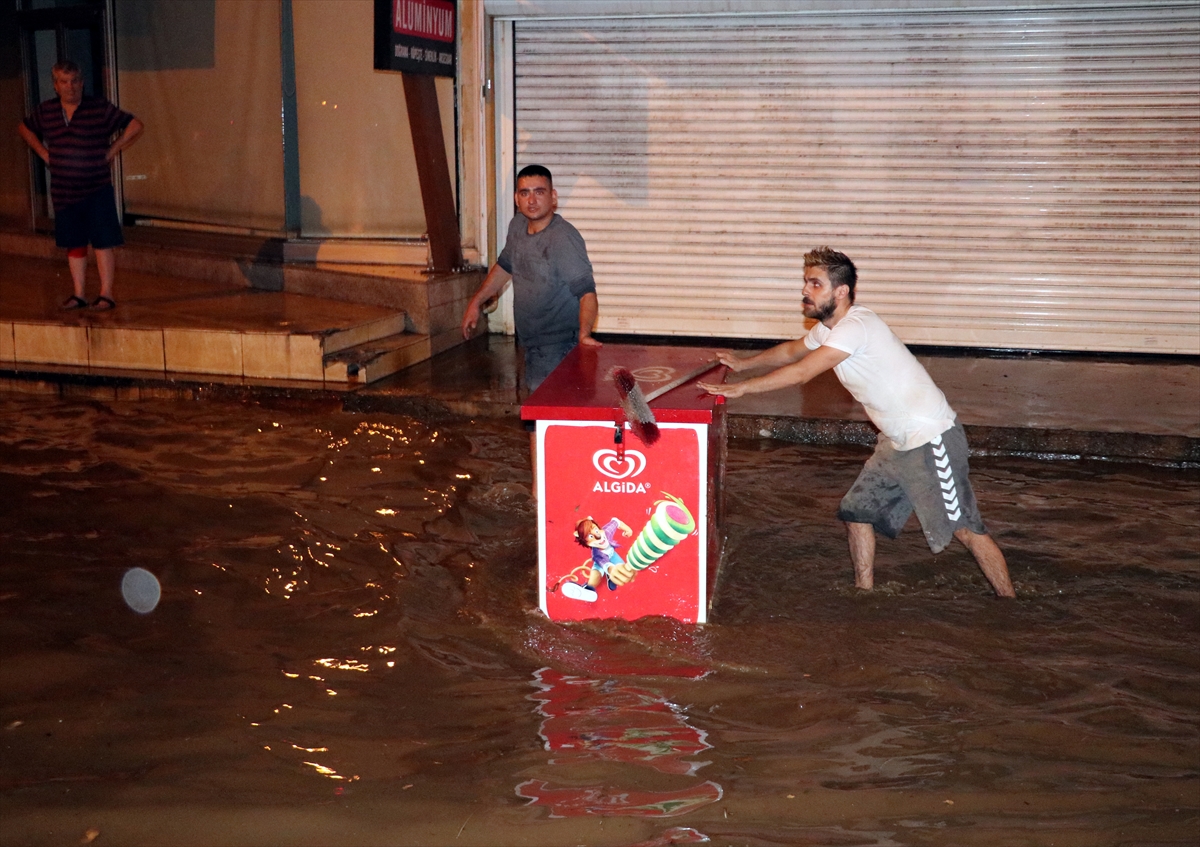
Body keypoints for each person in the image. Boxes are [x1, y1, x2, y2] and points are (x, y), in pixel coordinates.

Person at [699, 247, 1016, 598]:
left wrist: (742, 389)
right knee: (857, 512)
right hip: (896, 442)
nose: (805, 290)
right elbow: (793, 351)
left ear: (841, 291)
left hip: (931, 437)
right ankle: (863, 594)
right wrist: (743, 364)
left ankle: (1011, 604)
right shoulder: (831, 330)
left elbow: (804, 371)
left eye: (815, 284)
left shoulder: (857, 326)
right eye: (806, 282)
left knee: (965, 529)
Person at [461, 164, 601, 393]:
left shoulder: (563, 238)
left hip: (560, 345)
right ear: (517, 198)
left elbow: (587, 293)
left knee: (546, 414)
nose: (532, 200)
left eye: (539, 192)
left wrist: (585, 334)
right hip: (531, 342)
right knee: (538, 415)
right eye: (525, 193)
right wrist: (475, 302)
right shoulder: (517, 226)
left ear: (553, 197)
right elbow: (505, 267)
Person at [18, 60, 144, 312]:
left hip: (96, 186)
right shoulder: (48, 111)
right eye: (64, 82)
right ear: (55, 86)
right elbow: (24, 128)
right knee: (74, 241)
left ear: (82, 82)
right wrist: (44, 153)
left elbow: (134, 125)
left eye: (75, 81)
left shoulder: (97, 107)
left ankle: (106, 293)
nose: (71, 87)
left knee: (102, 240)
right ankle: (79, 293)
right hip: (65, 190)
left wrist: (113, 150)